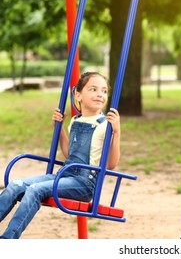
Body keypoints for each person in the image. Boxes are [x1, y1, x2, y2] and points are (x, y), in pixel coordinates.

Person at [0, 72, 121, 239]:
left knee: (35, 190)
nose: (100, 94)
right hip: (64, 175)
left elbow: (111, 165)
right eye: (93, 89)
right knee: (15, 185)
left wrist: (117, 132)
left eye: (104, 91)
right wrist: (60, 127)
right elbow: (69, 153)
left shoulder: (105, 125)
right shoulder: (76, 121)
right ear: (78, 95)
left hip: (84, 184)